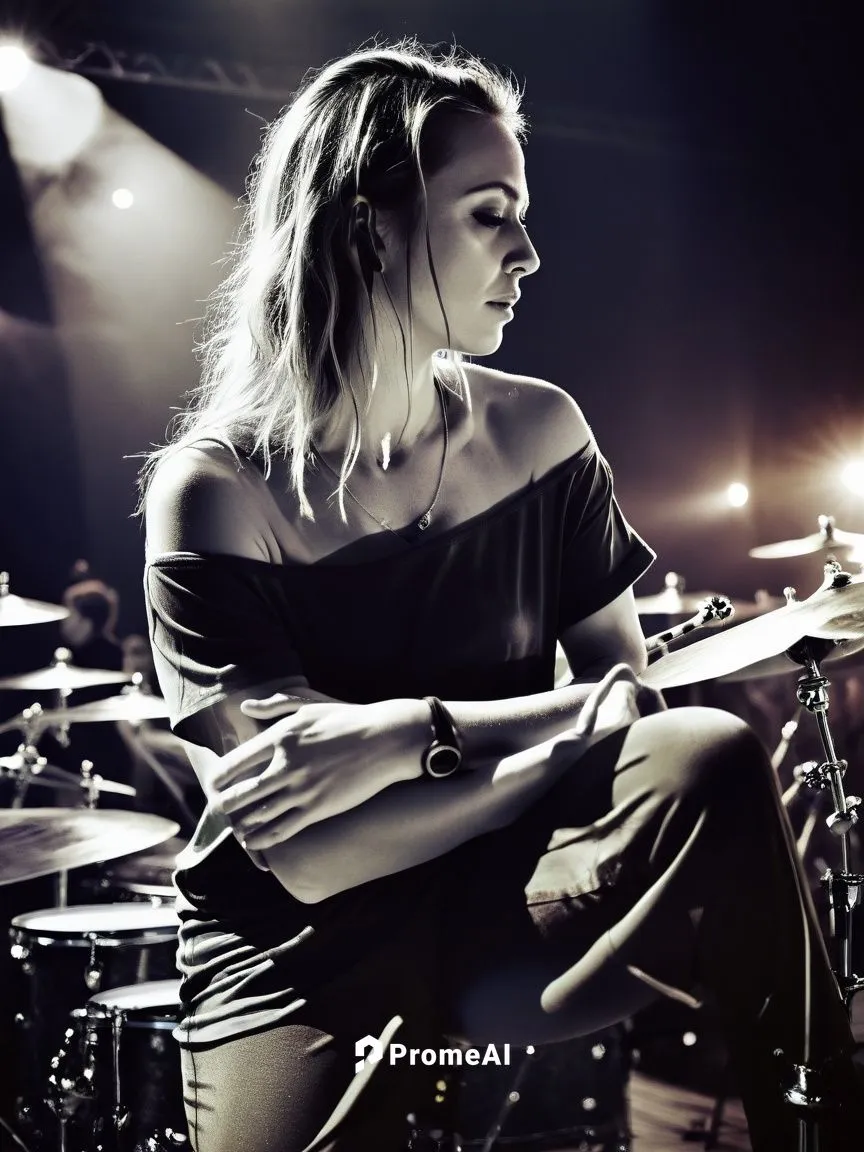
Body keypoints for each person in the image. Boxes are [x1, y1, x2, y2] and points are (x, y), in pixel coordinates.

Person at [139, 40, 862, 1152]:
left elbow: (638, 712)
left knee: (712, 754)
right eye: (488, 213)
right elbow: (315, 853)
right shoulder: (216, 491)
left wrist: (405, 737)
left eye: (519, 213)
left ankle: (827, 1119)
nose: (528, 252)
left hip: (511, 899)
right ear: (366, 226)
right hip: (299, 950)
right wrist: (536, 743)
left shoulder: (541, 431)